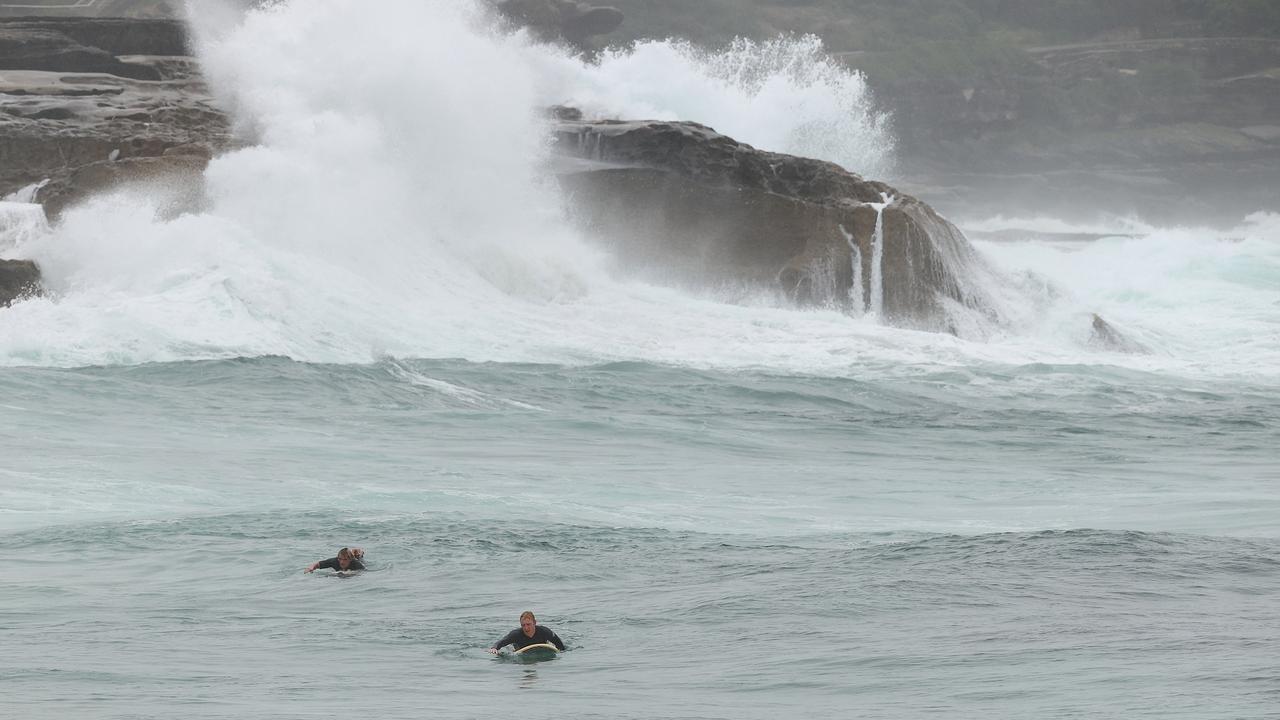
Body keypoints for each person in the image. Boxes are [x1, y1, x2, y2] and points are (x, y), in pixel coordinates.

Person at [488, 611, 566, 654]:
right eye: (523, 625)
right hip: (521, 651)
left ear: (535, 623)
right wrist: (494, 648)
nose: (526, 628)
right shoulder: (516, 634)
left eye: (528, 624)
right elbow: (501, 642)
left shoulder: (544, 631)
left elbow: (560, 645)